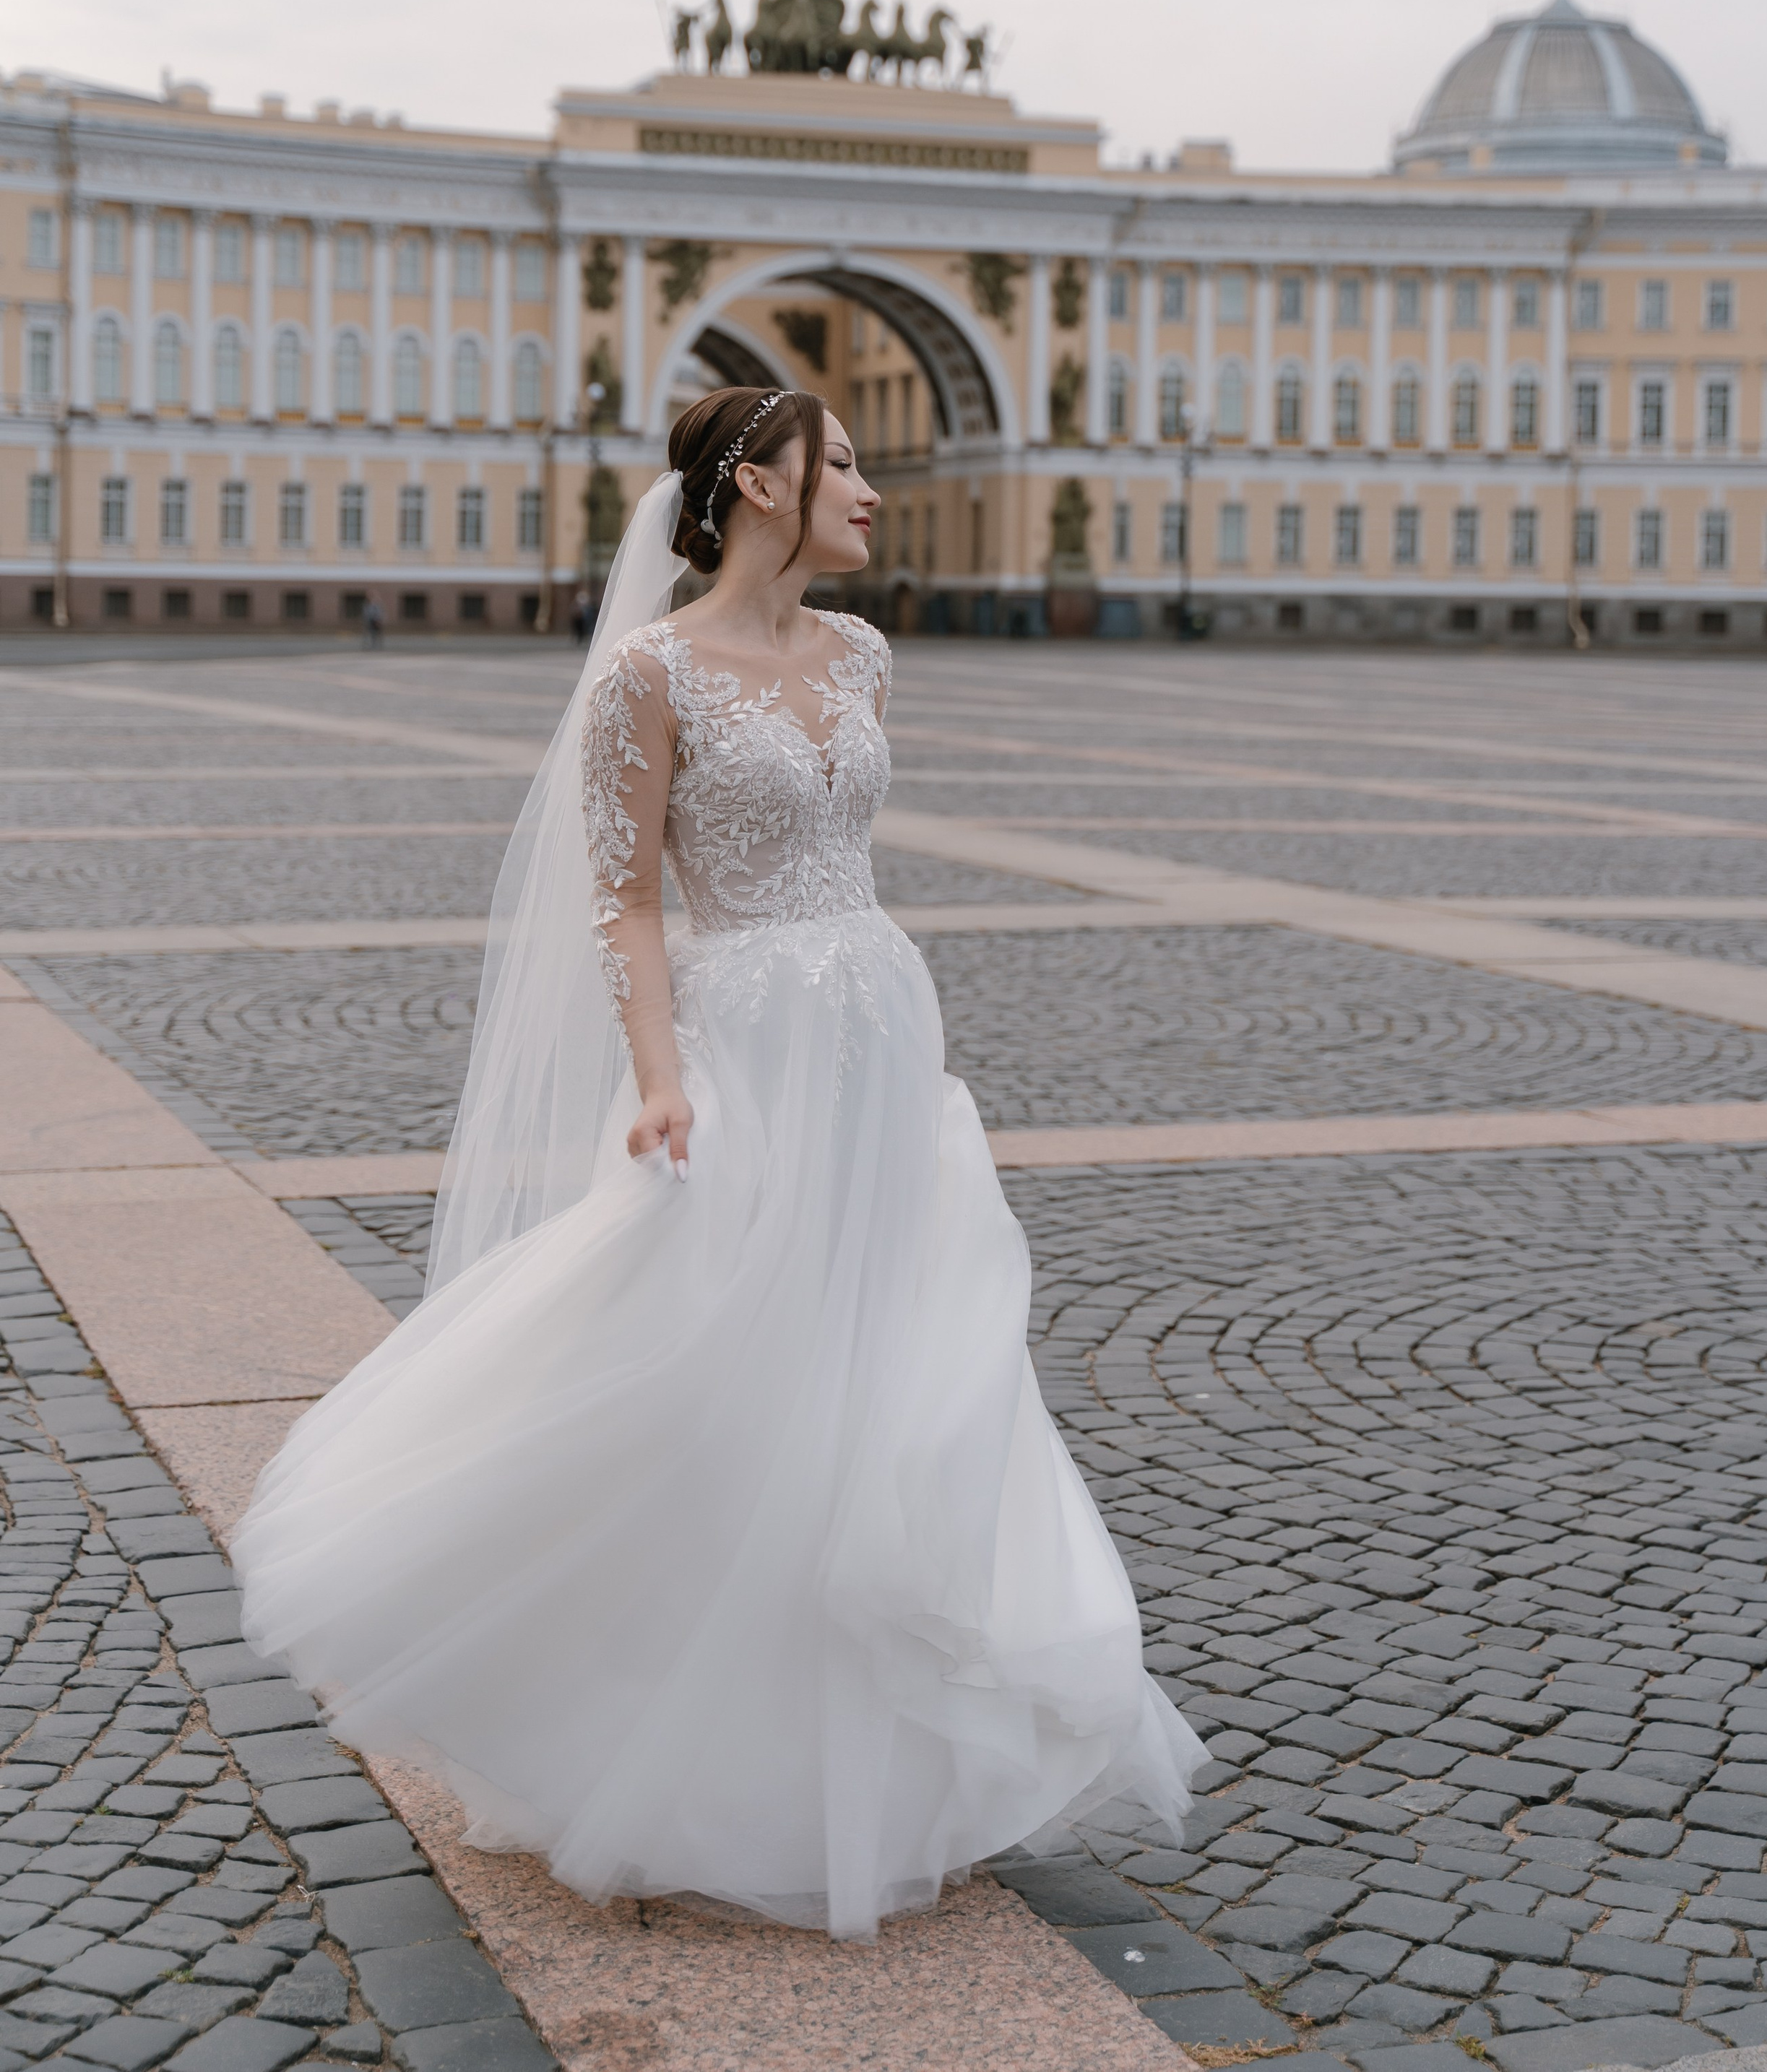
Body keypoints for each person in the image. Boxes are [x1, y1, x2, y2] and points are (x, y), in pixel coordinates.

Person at [232, 386, 1202, 1943]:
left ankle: (873, 1758)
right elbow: (620, 900)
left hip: (880, 1036)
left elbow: (849, 853)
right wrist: (661, 1078)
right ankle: (665, 1733)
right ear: (757, 483)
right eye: (844, 467)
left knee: (894, 1370)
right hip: (744, 1045)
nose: (873, 491)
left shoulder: (866, 655)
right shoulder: (648, 674)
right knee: (722, 1367)